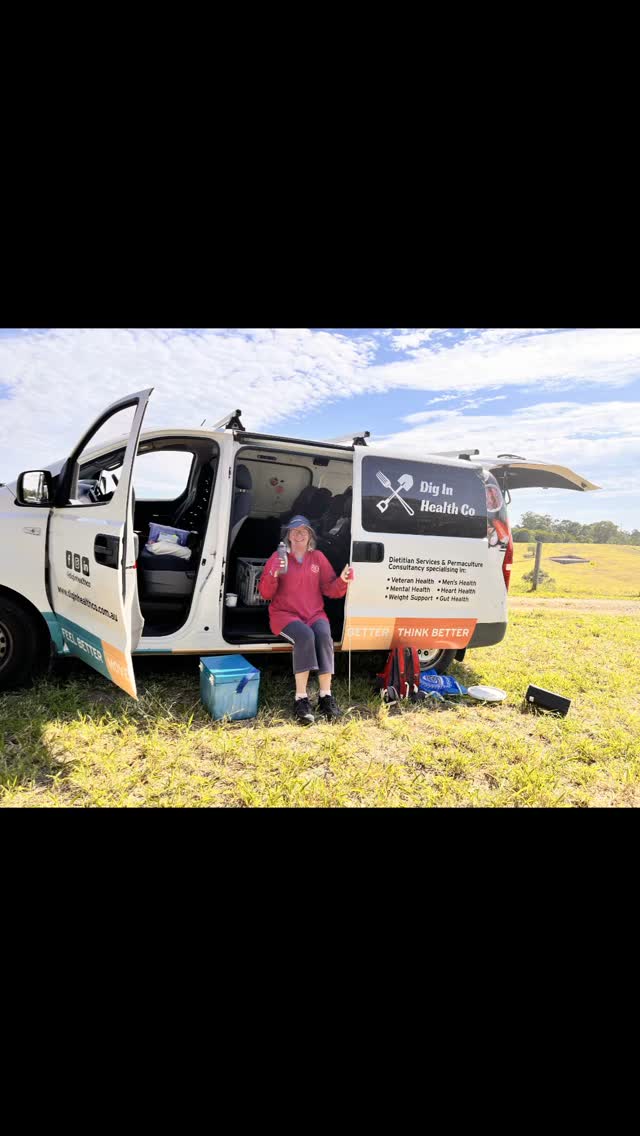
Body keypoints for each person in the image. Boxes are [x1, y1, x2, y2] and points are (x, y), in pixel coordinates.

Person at [258, 514, 353, 725]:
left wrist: (342, 581)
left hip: (314, 614)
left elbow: (330, 588)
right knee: (305, 636)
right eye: (294, 530)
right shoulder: (278, 558)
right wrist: (273, 573)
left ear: (310, 536)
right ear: (288, 536)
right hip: (285, 615)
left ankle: (325, 696)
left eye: (304, 530)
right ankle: (301, 699)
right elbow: (265, 593)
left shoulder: (317, 557)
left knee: (324, 635)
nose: (299, 534)